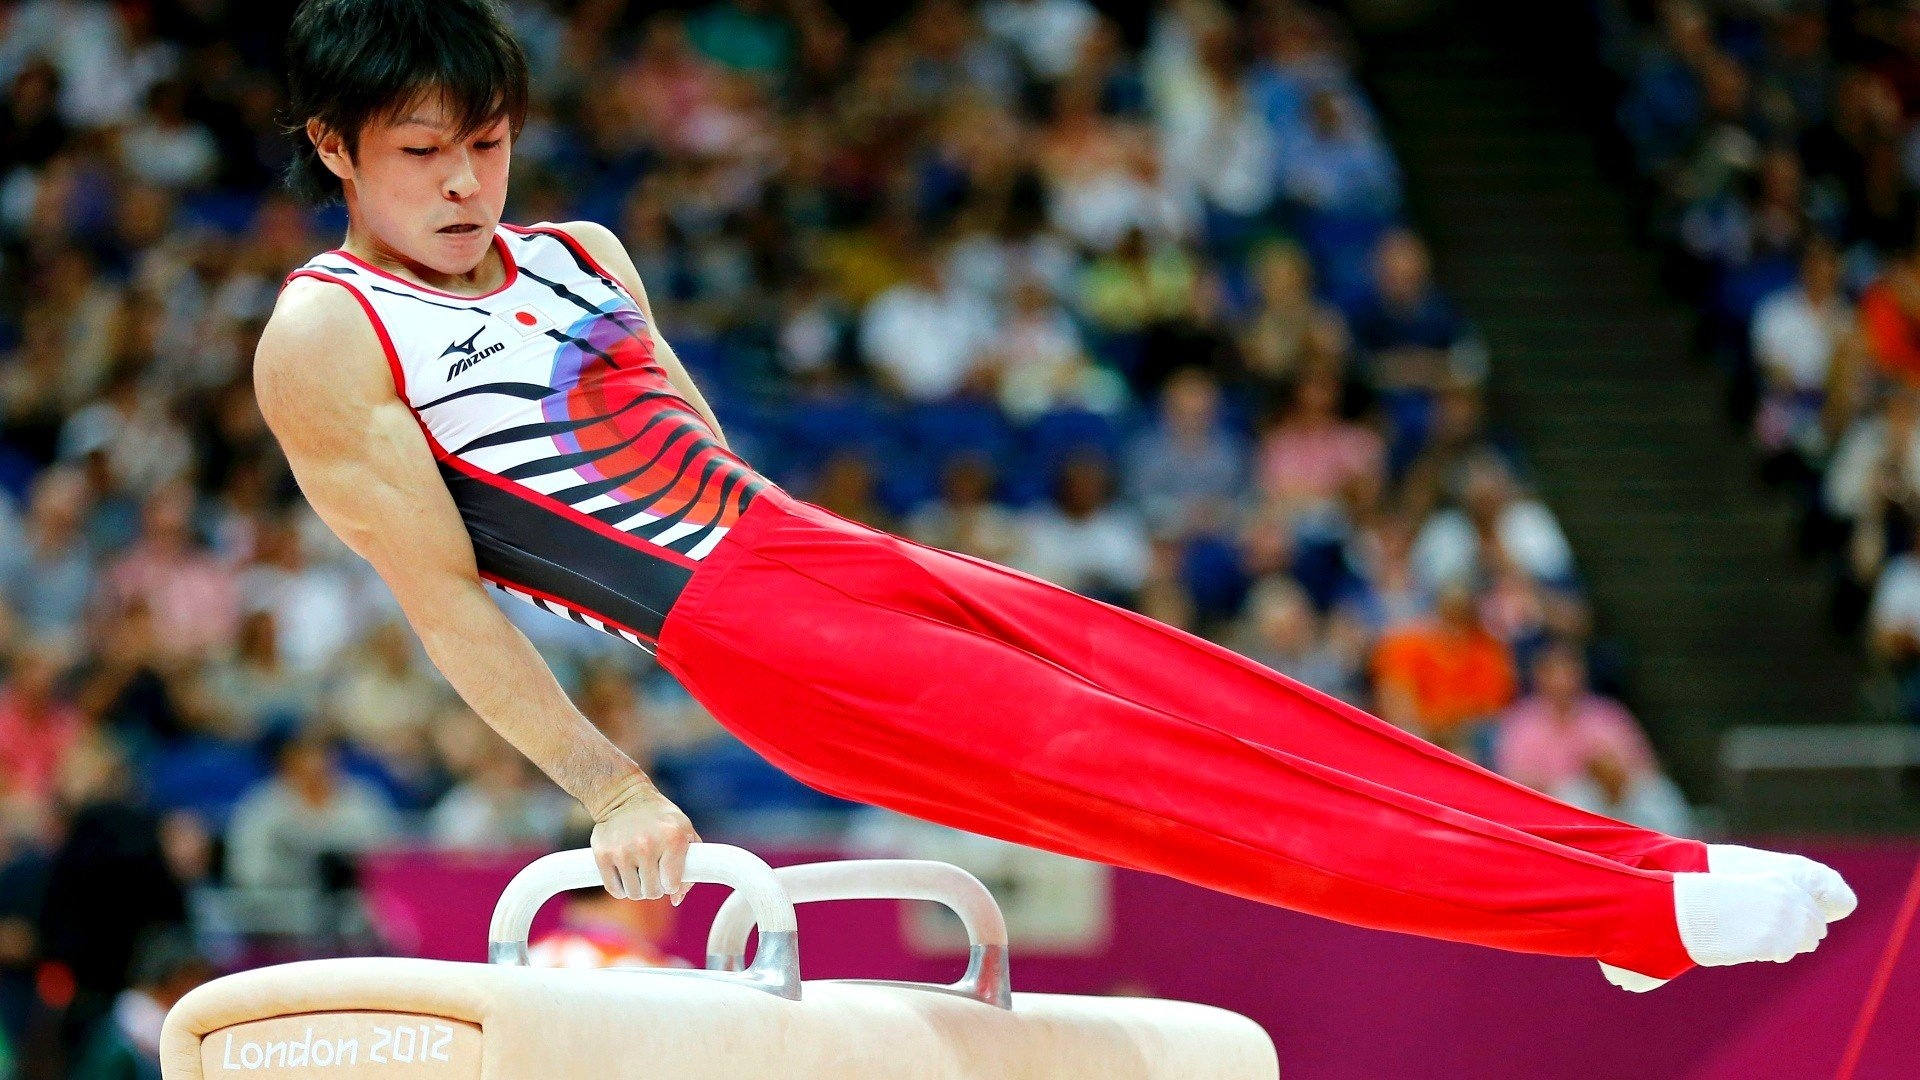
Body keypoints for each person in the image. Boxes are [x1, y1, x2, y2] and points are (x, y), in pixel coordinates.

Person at [255, 0, 1855, 993]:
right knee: (1185, 790)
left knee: (1232, 701)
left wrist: (845, 572)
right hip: (752, 639)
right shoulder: (329, 334)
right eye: (422, 153)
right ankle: (1607, 914)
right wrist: (611, 790)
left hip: (814, 551)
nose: (468, 183)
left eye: (490, 142)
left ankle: (1626, 885)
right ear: (335, 147)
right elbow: (445, 597)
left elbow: (705, 459)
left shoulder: (583, 253)